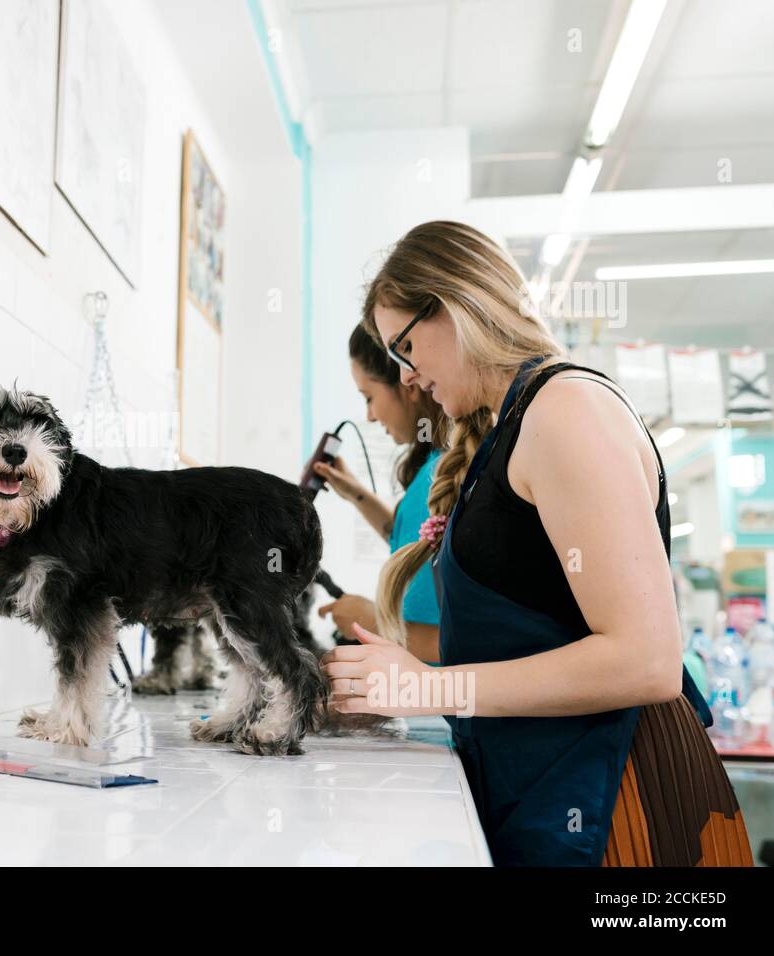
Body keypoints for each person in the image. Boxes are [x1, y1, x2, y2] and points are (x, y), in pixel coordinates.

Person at [322, 220, 752, 867]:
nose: (407, 379)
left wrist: (429, 687)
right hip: (541, 788)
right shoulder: (508, 430)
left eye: (407, 347)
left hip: (612, 804)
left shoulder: (567, 409)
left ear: (459, 306)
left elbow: (646, 661)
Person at [313, 325, 447, 663]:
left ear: (407, 382)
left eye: (369, 397)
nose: (370, 416)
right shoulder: (433, 468)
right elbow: (410, 540)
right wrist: (357, 494)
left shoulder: (446, 474)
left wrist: (371, 622)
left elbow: (459, 648)